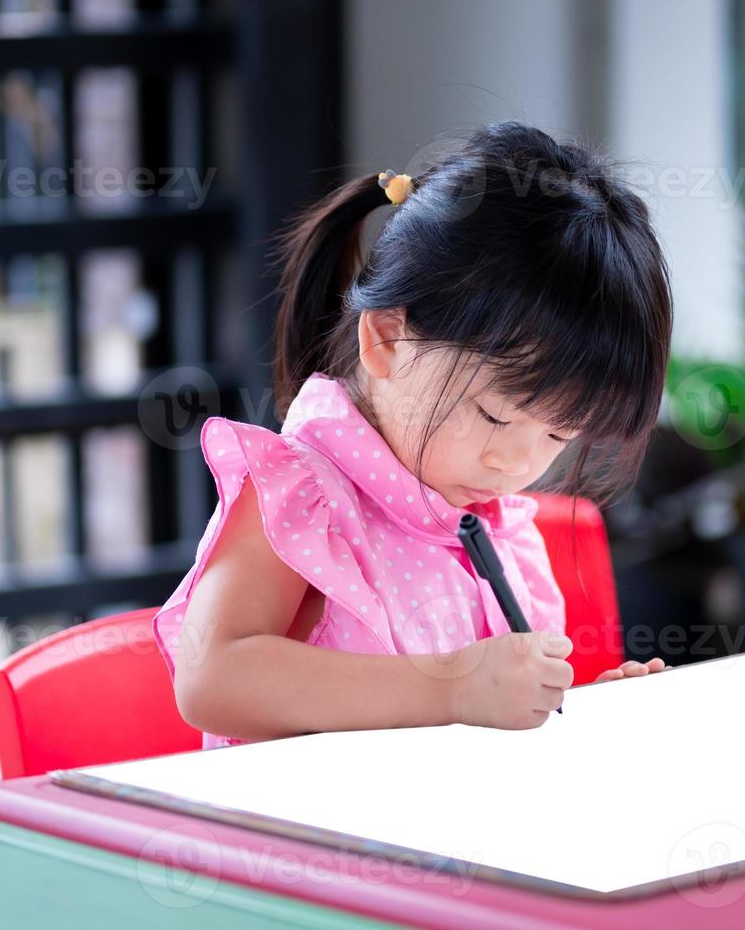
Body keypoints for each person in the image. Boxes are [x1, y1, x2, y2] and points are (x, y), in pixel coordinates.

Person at [155, 121, 674, 748]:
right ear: (388, 338)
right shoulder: (303, 491)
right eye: (496, 417)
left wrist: (579, 711)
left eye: (558, 437)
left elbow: (485, 728)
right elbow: (211, 676)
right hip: (315, 840)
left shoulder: (496, 523)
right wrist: (452, 687)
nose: (515, 463)